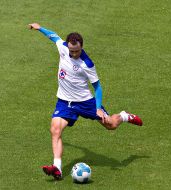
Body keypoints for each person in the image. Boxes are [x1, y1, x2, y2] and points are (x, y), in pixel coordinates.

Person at [28, 23, 143, 180]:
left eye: (77, 51)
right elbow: (53, 35)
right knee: (55, 130)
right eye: (71, 50)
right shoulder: (63, 47)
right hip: (64, 101)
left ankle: (124, 116)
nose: (74, 53)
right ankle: (57, 168)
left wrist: (98, 108)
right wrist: (39, 27)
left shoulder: (87, 63)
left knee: (111, 125)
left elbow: (98, 87)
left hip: (85, 102)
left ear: (81, 47)